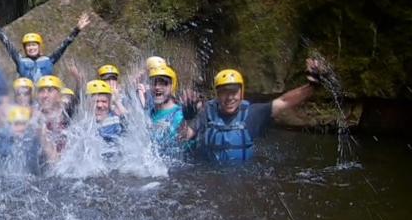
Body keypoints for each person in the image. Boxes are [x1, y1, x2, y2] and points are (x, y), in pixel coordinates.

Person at [181, 59, 326, 163]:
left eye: (234, 92)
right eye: (224, 92)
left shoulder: (253, 114)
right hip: (210, 175)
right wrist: (187, 117)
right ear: (217, 94)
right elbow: (184, 136)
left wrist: (312, 86)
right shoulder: (206, 112)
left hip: (242, 177)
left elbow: (284, 101)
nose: (230, 97)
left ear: (241, 92)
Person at [0, 10, 91, 83]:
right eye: (28, 46)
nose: (31, 48)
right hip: (27, 101)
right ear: (25, 49)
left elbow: (65, 44)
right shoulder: (21, 61)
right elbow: (7, 43)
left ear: (39, 47)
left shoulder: (49, 60)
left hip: (45, 99)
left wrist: (77, 30)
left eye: (34, 45)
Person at [137, 65, 185, 156]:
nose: (157, 87)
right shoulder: (148, 113)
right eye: (153, 83)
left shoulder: (179, 115)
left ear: (172, 86)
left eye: (163, 83)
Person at [86, 79, 127, 145]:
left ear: (109, 104)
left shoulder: (115, 120)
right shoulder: (84, 125)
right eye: (95, 101)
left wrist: (117, 101)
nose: (99, 105)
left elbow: (131, 124)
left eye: (104, 101)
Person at [35, 75, 69, 153]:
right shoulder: (35, 116)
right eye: (41, 91)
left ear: (59, 96)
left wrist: (79, 81)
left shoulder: (66, 112)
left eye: (50, 90)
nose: (45, 95)